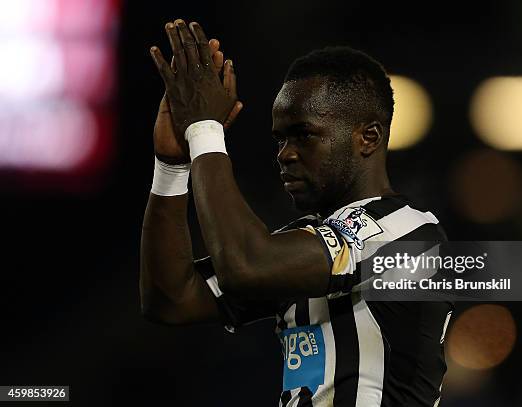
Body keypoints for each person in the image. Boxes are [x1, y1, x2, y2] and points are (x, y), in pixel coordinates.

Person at [140, 18, 453, 406]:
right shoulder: (306, 242)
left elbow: (247, 265)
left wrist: (205, 131)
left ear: (367, 138)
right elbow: (171, 300)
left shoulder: (405, 233)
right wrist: (171, 168)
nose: (285, 154)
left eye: (304, 134)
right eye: (280, 138)